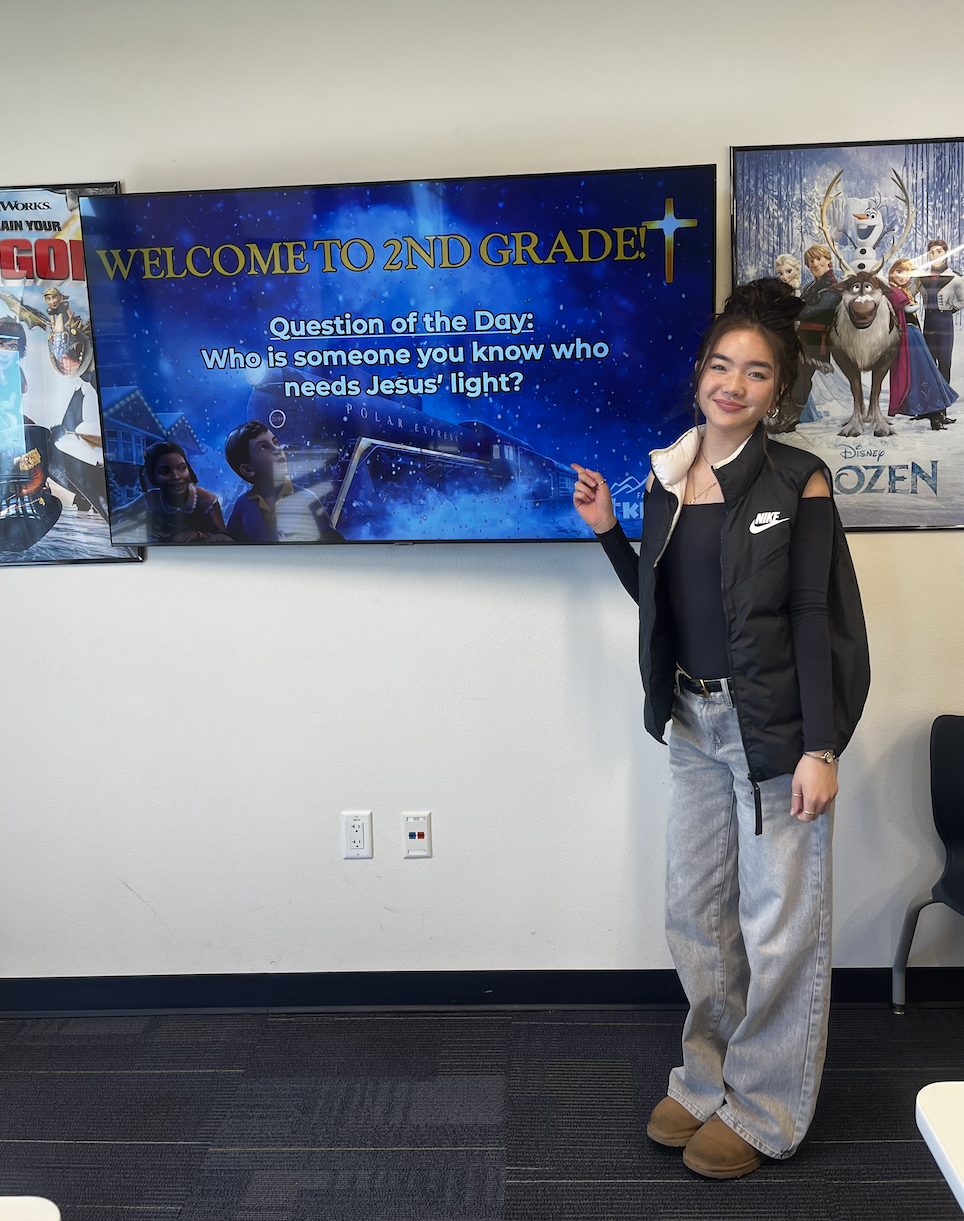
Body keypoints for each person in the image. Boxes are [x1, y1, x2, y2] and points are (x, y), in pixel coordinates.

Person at [571, 279, 870, 1179]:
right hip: (693, 722)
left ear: (778, 390)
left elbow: (815, 613)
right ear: (699, 372)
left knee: (779, 926)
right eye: (720, 365)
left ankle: (768, 1108)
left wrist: (820, 747)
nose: (733, 384)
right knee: (697, 914)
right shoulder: (669, 474)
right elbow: (662, 602)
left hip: (775, 729)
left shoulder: (796, 477)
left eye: (756, 372)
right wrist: (610, 533)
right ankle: (709, 1080)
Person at [224, 420, 344, 543]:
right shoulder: (243, 504)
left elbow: (332, 541)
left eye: (275, 442)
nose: (277, 449)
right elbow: (233, 541)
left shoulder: (306, 499)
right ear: (247, 470)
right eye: (264, 447)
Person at [886, 259, 958, 430]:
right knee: (924, 372)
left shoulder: (900, 290)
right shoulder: (893, 291)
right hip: (908, 335)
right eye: (899, 272)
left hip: (913, 333)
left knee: (925, 372)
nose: (903, 277)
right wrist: (913, 305)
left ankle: (934, 412)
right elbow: (905, 309)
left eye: (907, 274)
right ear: (892, 272)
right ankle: (934, 414)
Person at [772, 245, 837, 433]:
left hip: (817, 339)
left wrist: (787, 310)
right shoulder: (812, 286)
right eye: (810, 261)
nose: (814, 264)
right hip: (804, 337)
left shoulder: (832, 287)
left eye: (818, 259)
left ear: (828, 260)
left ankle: (790, 418)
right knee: (794, 376)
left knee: (801, 377)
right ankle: (785, 416)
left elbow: (810, 311)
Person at [116, 441, 232, 544]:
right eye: (165, 471)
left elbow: (223, 537)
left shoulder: (207, 501)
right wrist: (141, 530)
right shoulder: (151, 500)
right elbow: (116, 517)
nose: (176, 476)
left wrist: (199, 534)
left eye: (181, 468)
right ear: (152, 476)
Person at [918, 239, 963, 384]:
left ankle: (944, 395)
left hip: (945, 323)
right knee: (928, 359)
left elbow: (963, 299)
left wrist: (950, 308)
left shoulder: (956, 277)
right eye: (931, 252)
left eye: (939, 252)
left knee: (944, 359)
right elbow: (909, 294)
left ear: (946, 253)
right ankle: (931, 394)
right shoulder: (921, 276)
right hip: (928, 322)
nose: (935, 256)